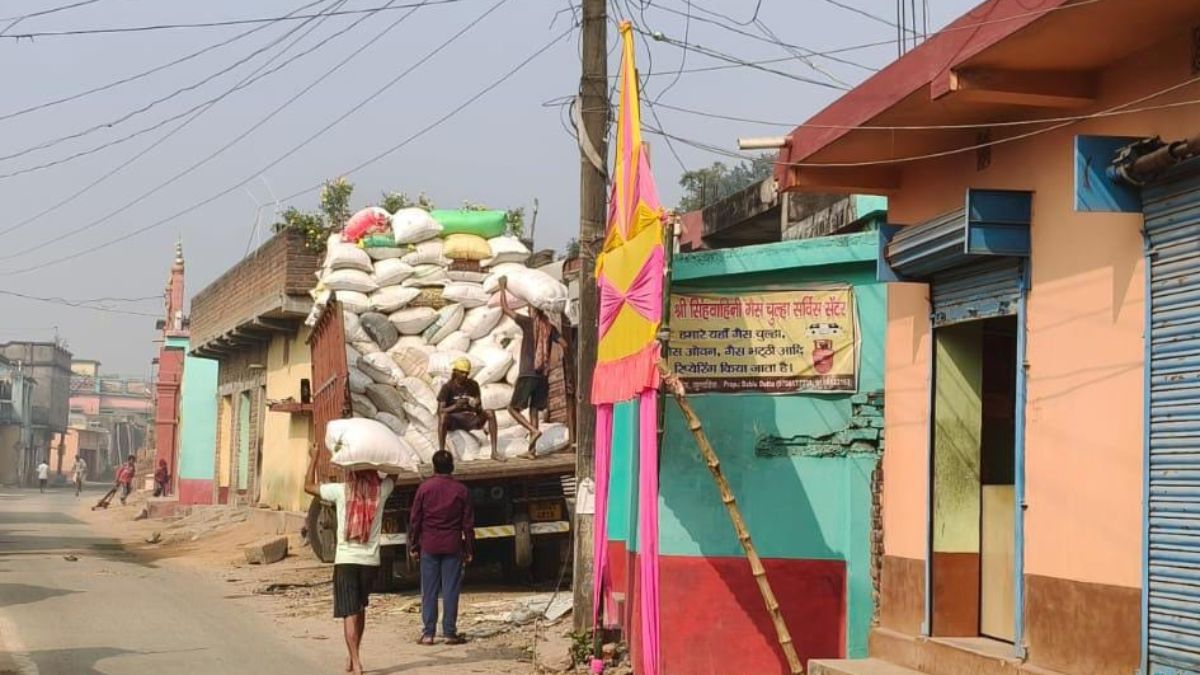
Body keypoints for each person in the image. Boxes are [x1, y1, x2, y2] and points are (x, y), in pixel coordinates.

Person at [304, 448, 395, 675]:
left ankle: (356, 661)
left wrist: (314, 457)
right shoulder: (381, 491)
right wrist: (380, 457)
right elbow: (395, 471)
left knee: (349, 612)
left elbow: (308, 486)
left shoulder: (341, 491)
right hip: (370, 561)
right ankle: (354, 656)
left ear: (352, 472)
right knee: (360, 608)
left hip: (345, 560)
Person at [497, 277, 570, 456]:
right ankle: (532, 451)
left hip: (527, 373)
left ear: (532, 310)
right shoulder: (550, 327)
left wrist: (502, 287)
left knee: (512, 409)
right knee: (534, 410)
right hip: (542, 375)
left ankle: (533, 430)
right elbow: (565, 344)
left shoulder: (527, 323)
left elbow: (505, 309)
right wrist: (553, 360)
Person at [408, 450, 474, 646]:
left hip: (429, 545)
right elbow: (468, 524)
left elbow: (415, 519)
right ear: (451, 466)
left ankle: (428, 634)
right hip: (452, 545)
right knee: (450, 589)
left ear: (434, 467)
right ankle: (449, 633)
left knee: (429, 590)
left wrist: (414, 544)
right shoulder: (461, 490)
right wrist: (469, 549)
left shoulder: (424, 488)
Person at [436, 358, 499, 461]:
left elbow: (479, 406)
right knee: (443, 417)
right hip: (454, 420)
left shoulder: (473, 385)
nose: (465, 375)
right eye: (462, 372)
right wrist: (456, 406)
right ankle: (441, 452)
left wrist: (476, 404)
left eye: (467, 373)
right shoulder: (447, 387)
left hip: (470, 418)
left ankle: (494, 452)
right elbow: (440, 411)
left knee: (490, 412)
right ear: (455, 372)